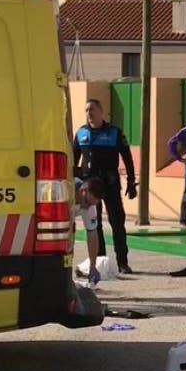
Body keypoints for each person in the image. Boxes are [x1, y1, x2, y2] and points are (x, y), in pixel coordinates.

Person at [73, 98, 137, 274]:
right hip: (89, 185)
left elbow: (127, 158)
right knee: (95, 223)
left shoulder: (114, 132)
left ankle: (122, 262)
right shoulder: (81, 133)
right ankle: (101, 261)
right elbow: (73, 159)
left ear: (102, 112)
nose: (89, 113)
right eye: (86, 110)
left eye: (92, 109)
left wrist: (131, 182)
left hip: (109, 183)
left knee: (117, 222)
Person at [74, 176, 105, 285]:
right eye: (87, 202)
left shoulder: (90, 205)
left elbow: (92, 234)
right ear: (83, 191)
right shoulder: (64, 191)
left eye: (92, 204)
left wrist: (93, 266)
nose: (87, 207)